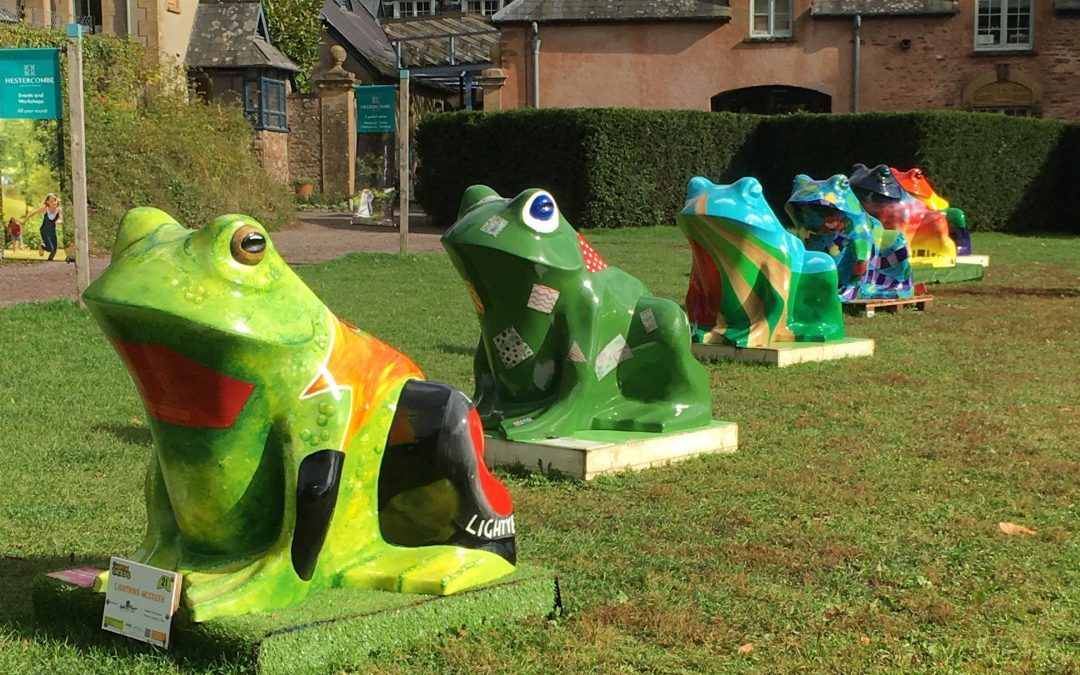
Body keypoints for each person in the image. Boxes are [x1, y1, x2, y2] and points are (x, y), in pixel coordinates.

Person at [25, 193, 62, 261]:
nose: (54, 202)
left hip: (52, 231)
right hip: (44, 231)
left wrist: (58, 221)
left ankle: (49, 261)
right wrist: (25, 220)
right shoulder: (45, 209)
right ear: (47, 202)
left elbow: (60, 219)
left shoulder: (58, 210)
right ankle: (42, 246)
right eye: (51, 201)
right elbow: (34, 212)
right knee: (50, 248)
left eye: (55, 200)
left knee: (54, 250)